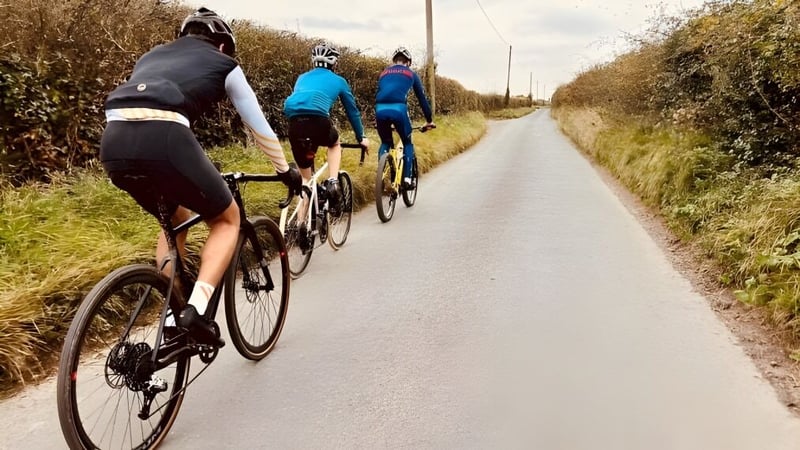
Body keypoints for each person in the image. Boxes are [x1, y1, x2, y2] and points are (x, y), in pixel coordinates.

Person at [99, 7, 301, 346]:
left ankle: (172, 311)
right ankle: (195, 310)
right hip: (166, 137)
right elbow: (257, 125)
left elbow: (146, 108)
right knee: (226, 219)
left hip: (114, 141)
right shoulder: (225, 63)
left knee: (174, 219)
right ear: (223, 46)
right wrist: (285, 170)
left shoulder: (151, 56)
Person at [283, 41, 369, 218]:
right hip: (319, 122)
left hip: (295, 124)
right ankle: (333, 181)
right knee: (334, 144)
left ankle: (300, 226)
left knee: (306, 181)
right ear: (334, 63)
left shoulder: (302, 78)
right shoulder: (339, 81)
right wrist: (361, 137)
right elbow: (352, 111)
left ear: (314, 61)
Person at [375, 47, 435, 188]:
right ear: (408, 62)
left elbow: (380, 94)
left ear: (394, 60)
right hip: (399, 109)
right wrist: (429, 120)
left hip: (380, 110)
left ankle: (381, 177)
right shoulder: (411, 74)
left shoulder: (383, 73)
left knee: (385, 142)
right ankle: (407, 179)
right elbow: (422, 99)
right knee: (407, 143)